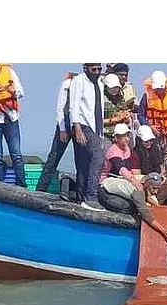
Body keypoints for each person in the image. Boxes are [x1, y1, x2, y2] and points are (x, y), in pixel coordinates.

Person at [98, 170, 167, 245]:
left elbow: (146, 196)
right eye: (154, 188)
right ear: (147, 184)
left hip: (109, 183)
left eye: (158, 189)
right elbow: (146, 216)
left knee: (138, 204)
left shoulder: (143, 183)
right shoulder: (138, 192)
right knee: (131, 208)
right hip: (104, 192)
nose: (156, 192)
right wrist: (165, 231)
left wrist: (159, 207)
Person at [69, 63, 106, 211]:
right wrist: (77, 129)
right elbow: (74, 105)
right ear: (85, 68)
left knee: (84, 162)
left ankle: (81, 195)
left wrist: (100, 134)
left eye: (99, 69)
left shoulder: (99, 83)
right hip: (83, 125)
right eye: (93, 69)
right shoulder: (79, 81)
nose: (96, 72)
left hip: (95, 127)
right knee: (98, 158)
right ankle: (91, 196)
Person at [37, 71, 77, 192]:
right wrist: (63, 129)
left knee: (80, 160)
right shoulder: (67, 84)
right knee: (54, 157)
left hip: (78, 125)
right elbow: (61, 107)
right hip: (65, 124)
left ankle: (80, 192)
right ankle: (41, 189)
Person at [102, 73, 134, 148]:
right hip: (106, 134)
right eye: (112, 88)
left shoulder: (121, 96)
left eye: (116, 87)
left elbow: (125, 111)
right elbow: (95, 121)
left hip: (122, 132)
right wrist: (114, 119)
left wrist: (126, 116)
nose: (114, 90)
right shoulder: (100, 99)